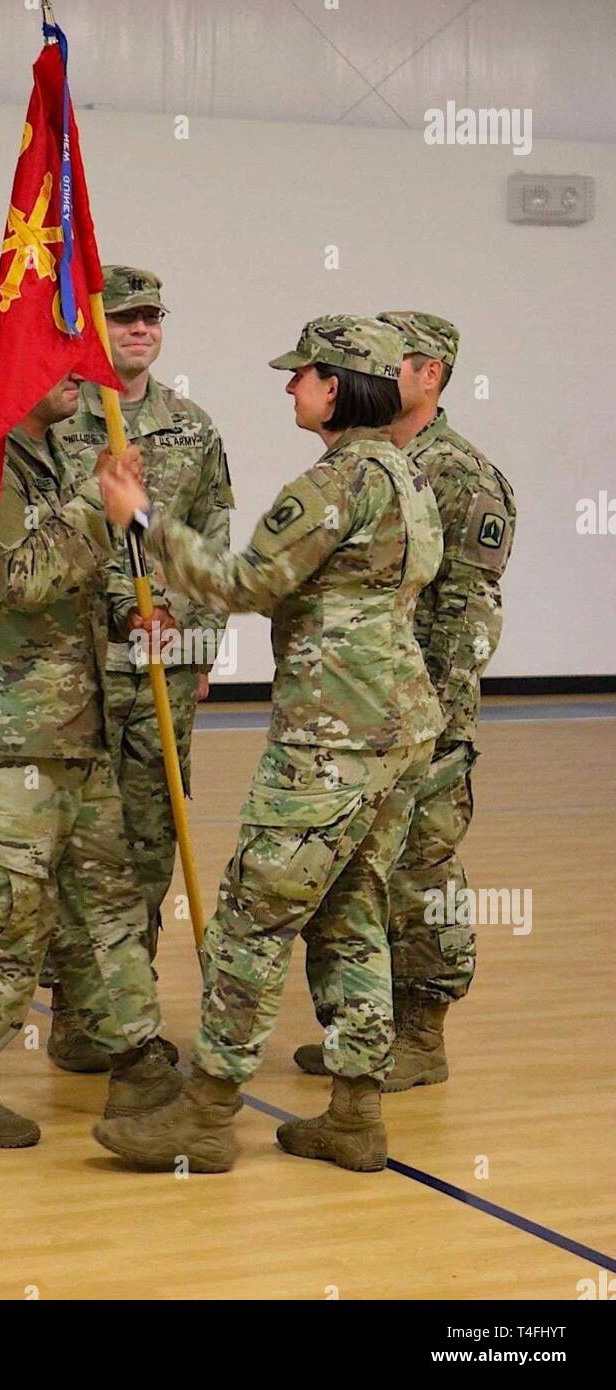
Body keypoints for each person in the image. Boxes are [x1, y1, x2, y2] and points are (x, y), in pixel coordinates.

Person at [92, 315, 444, 1173]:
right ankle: (356, 1115)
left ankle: (206, 1117)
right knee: (353, 916)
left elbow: (246, 581)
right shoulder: (405, 471)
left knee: (252, 919)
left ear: (339, 387)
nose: (291, 387)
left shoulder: (337, 483)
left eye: (303, 375)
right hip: (399, 727)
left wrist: (141, 520)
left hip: (332, 737)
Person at [0, 288, 180, 1149]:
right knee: (6, 925)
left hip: (77, 729)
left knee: (109, 906)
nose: (85, 370)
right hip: (3, 738)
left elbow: (75, 580)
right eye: (61, 353)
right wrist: (96, 513)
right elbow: (21, 578)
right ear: (12, 361)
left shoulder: (56, 461)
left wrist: (138, 608)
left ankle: (138, 1065)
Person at [294, 312, 516, 1091]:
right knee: (358, 874)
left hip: (423, 720)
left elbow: (468, 614)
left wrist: (442, 723)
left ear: (431, 376)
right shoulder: (372, 462)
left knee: (422, 872)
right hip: (362, 718)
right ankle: (369, 1033)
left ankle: (423, 1031)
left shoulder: (461, 475)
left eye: (401, 364)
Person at [41, 265, 234, 1073]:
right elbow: (57, 540)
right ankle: (82, 1018)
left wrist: (195, 646)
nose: (141, 330)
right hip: (81, 668)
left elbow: (215, 542)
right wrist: (129, 608)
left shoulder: (192, 428)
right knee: (83, 850)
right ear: (95, 327)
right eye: (124, 319)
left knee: (152, 846)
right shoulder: (56, 420)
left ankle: (130, 1010)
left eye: (151, 317)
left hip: (163, 667)